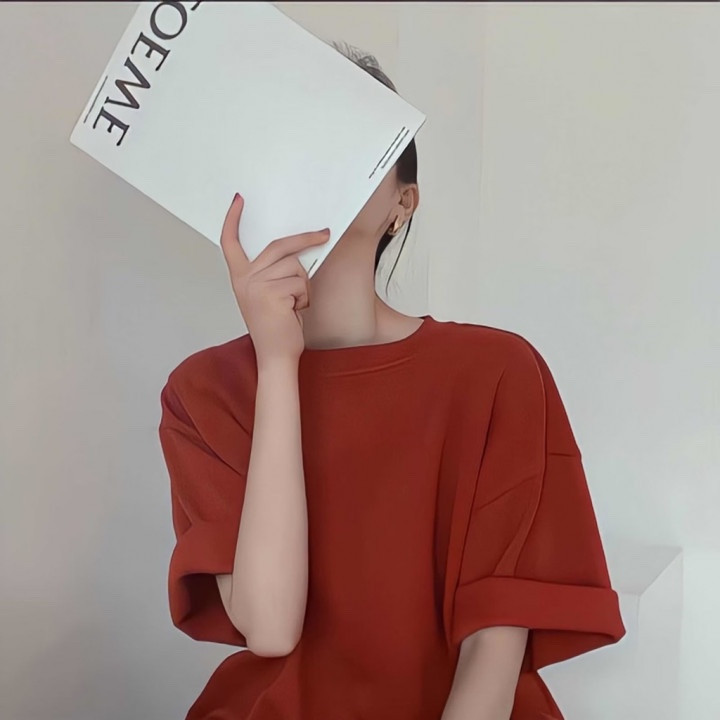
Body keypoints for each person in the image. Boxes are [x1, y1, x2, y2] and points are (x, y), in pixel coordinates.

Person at [157, 42, 626, 720]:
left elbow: (494, 645)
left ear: (402, 203)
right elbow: (270, 627)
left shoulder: (496, 371)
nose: (311, 164)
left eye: (346, 139)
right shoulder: (204, 391)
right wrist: (278, 363)